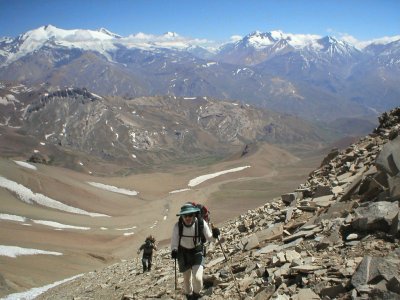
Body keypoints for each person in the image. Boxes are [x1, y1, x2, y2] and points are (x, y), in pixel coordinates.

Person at [171, 203, 220, 300]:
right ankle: (189, 295)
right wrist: (174, 250)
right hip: (183, 254)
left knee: (197, 278)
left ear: (194, 214)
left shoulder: (201, 223)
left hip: (197, 253)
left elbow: (210, 238)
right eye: (185, 215)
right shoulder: (177, 226)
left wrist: (215, 234)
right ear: (181, 216)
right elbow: (174, 241)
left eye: (190, 215)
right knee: (186, 279)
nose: (187, 218)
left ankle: (196, 294)